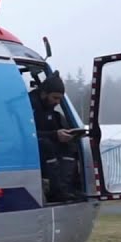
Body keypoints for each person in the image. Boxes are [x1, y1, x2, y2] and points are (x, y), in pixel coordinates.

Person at [31, 72, 82, 202]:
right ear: (43, 94)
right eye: (55, 98)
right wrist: (54, 135)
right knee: (46, 144)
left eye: (60, 99)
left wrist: (66, 135)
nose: (57, 102)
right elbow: (23, 133)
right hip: (32, 147)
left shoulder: (53, 113)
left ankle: (67, 188)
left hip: (49, 146)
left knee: (71, 147)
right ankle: (56, 190)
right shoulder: (29, 107)